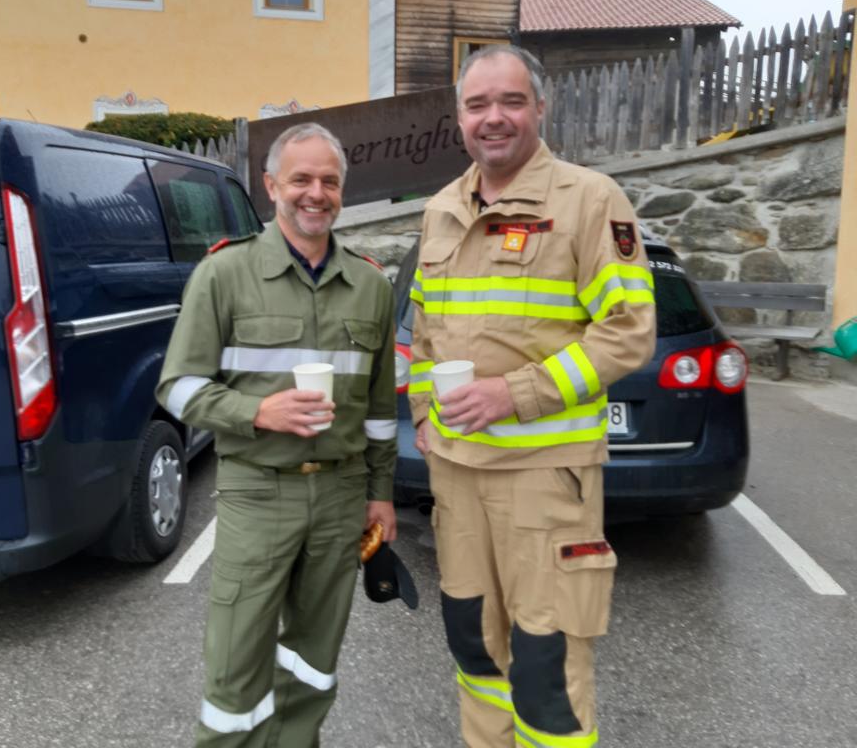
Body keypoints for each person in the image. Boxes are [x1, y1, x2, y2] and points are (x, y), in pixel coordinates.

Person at [408, 45, 657, 748]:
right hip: (456, 475)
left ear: (540, 108)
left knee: (546, 663)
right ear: (459, 117)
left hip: (545, 477)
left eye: (510, 101)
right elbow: (425, 331)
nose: (494, 118)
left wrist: (513, 394)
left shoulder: (590, 199)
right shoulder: (441, 210)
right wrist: (426, 415)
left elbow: (628, 332)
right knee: (474, 645)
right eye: (477, 104)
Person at [156, 122, 398, 748]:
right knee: (236, 666)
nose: (315, 193)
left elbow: (377, 411)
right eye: (301, 179)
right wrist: (257, 413)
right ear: (271, 187)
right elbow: (177, 388)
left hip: (343, 497)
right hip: (257, 493)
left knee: (314, 663)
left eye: (329, 181)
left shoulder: (370, 285)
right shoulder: (224, 275)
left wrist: (381, 494)